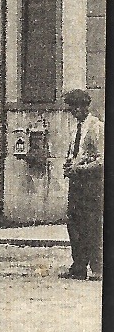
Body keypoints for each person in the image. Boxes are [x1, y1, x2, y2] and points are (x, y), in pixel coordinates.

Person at [61, 89, 103, 280]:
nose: (74, 111)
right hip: (76, 184)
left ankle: (97, 268)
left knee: (92, 225)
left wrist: (81, 169)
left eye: (77, 107)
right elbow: (76, 154)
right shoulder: (75, 128)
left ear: (86, 106)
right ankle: (78, 266)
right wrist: (69, 164)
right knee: (74, 224)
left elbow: (103, 160)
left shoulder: (96, 127)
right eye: (71, 107)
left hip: (92, 184)